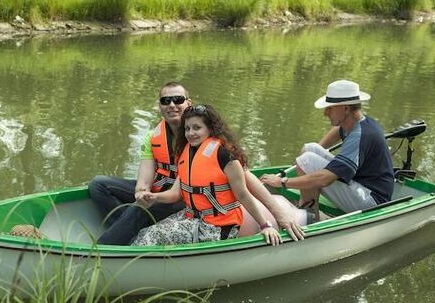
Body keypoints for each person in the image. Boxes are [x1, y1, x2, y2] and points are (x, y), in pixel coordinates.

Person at [89, 82, 305, 245]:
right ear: (160, 106)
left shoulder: (213, 149)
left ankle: (106, 249)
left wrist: (276, 216)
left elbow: (245, 187)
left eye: (178, 100)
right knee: (100, 185)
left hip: (197, 205)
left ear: (188, 104)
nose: (172, 105)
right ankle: (125, 230)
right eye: (166, 101)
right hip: (169, 195)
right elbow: (145, 180)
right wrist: (144, 194)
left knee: (138, 213)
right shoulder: (158, 139)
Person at [131, 104, 287, 247]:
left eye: (197, 128)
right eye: (187, 128)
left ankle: (134, 272)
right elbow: (174, 193)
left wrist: (265, 225)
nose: (190, 133)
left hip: (218, 227)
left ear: (210, 129)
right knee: (148, 231)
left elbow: (243, 195)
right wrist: (154, 197)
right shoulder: (187, 153)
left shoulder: (225, 156)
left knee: (152, 234)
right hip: (193, 217)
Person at [260, 80, 394, 214]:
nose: (325, 113)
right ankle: (309, 206)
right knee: (309, 149)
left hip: (372, 201)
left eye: (330, 108)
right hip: (360, 183)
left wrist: (282, 182)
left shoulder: (360, 135)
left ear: (346, 108)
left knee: (307, 160)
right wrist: (316, 152)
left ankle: (309, 216)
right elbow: (337, 130)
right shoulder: (356, 122)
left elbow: (325, 179)